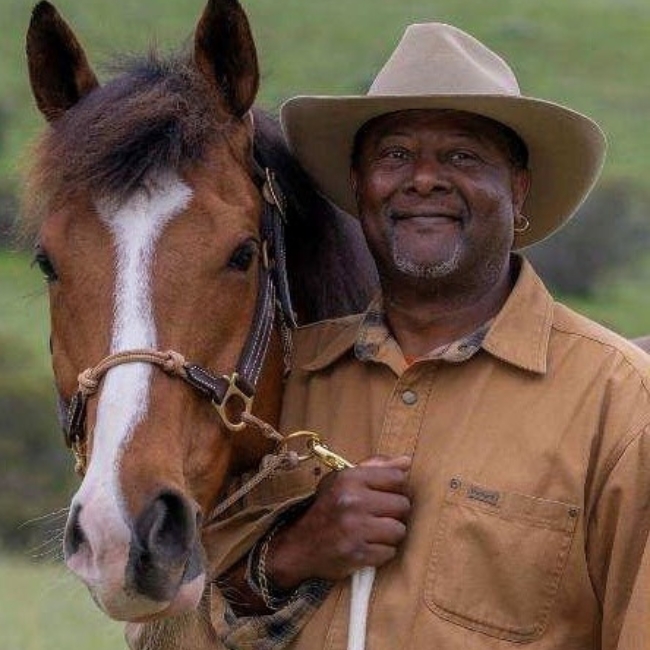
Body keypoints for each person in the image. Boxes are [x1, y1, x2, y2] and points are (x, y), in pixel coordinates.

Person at [209, 22, 650, 650]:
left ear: (517, 187)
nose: (423, 179)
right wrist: (288, 557)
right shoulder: (276, 382)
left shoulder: (619, 399)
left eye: (462, 156)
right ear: (359, 186)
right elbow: (160, 627)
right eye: (394, 155)